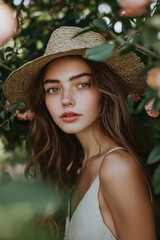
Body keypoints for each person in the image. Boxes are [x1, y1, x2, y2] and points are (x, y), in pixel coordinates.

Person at [4, 26, 156, 240]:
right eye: (53, 89)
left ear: (105, 92)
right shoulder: (74, 167)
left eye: (82, 84)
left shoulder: (117, 167)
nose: (66, 100)